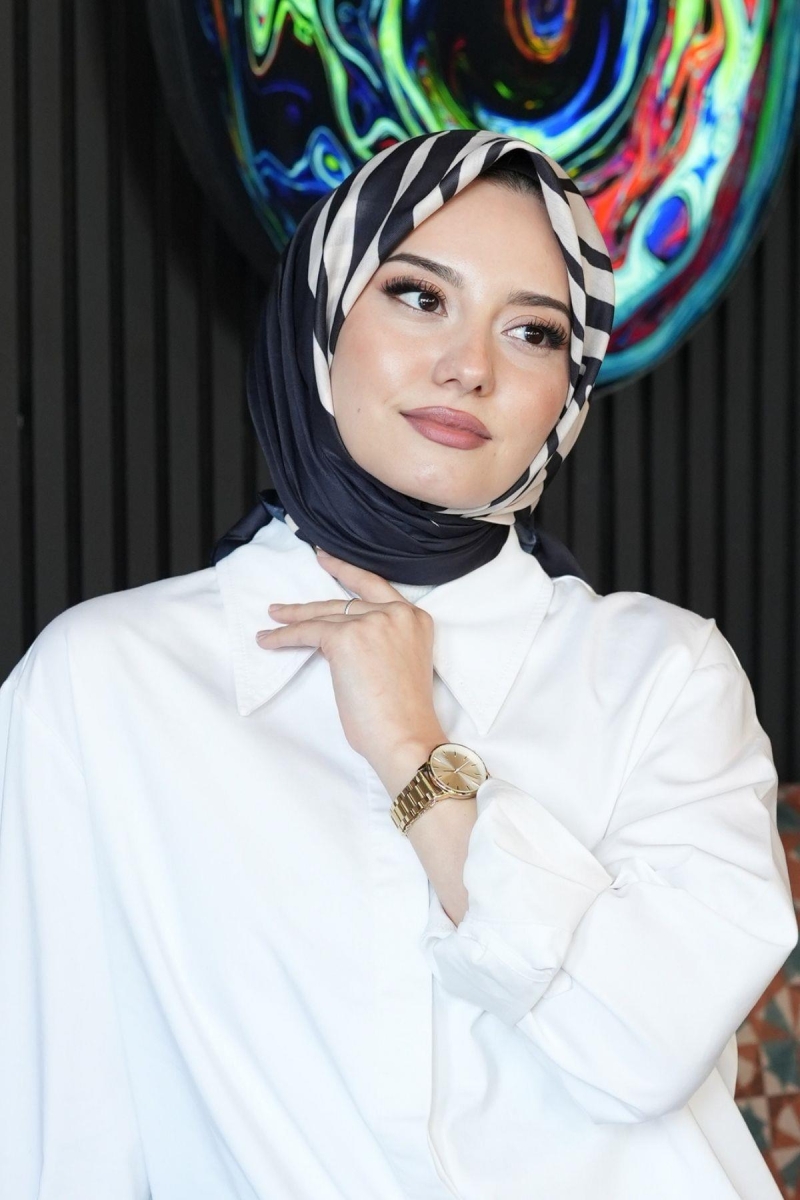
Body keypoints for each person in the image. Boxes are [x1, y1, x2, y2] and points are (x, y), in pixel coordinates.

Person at [0, 129, 795, 1200]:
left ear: (565, 391)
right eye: (420, 297)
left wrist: (416, 757)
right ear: (322, 319)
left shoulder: (660, 675)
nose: (469, 366)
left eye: (530, 331)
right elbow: (64, 1132)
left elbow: (642, 1049)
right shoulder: (107, 685)